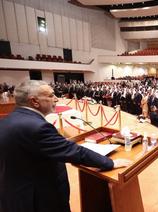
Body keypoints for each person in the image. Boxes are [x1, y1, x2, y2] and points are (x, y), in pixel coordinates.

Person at [0, 80, 131, 212]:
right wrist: (110, 163)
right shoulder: (38, 127)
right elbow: (74, 152)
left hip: (15, 196)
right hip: (39, 201)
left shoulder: (6, 121)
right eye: (51, 96)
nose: (56, 99)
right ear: (34, 101)